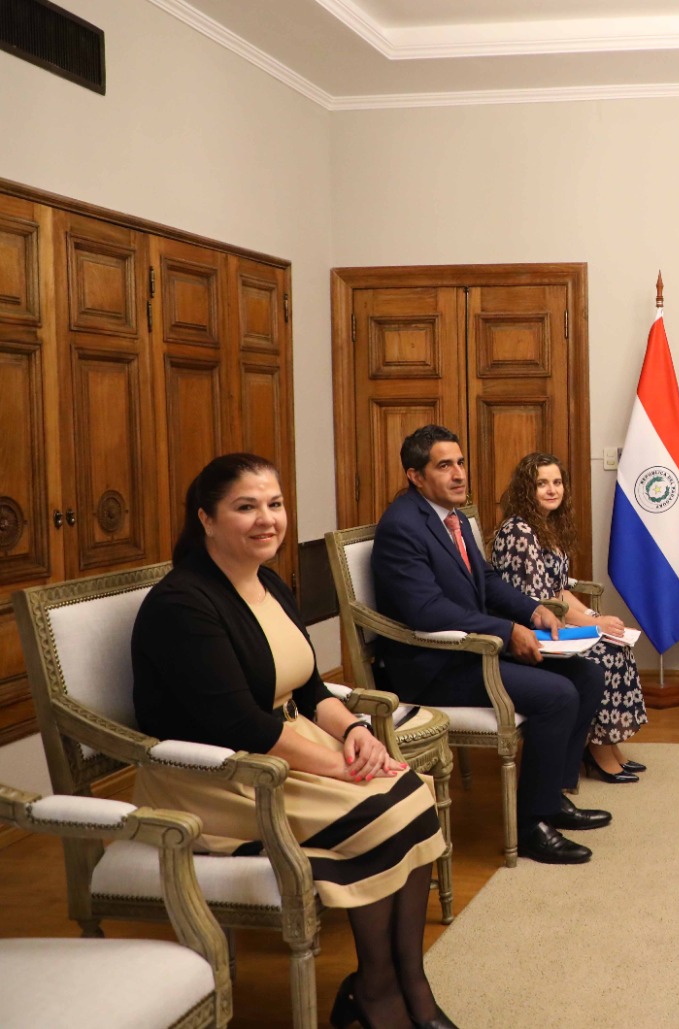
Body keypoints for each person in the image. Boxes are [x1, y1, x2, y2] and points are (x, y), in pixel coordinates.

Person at [131, 453, 454, 1029]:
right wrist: (337, 769)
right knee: (382, 812)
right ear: (206, 518)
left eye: (274, 504)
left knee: (411, 792)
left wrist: (354, 733)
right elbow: (241, 725)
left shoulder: (269, 581)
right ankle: (377, 993)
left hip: (285, 740)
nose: (267, 519)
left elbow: (308, 688)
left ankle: (408, 980)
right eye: (246, 507)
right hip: (217, 773)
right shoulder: (183, 604)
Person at [370, 425, 608, 865]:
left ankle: (549, 798)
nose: (459, 474)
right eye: (444, 466)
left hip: (473, 650)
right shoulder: (402, 527)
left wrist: (534, 610)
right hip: (435, 665)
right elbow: (427, 611)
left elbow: (488, 580)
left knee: (588, 675)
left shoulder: (454, 517)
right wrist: (506, 630)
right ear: (415, 476)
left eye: (460, 463)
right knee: (557, 695)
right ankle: (532, 826)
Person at [491, 452, 647, 784]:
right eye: (542, 484)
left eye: (557, 482)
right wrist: (595, 626)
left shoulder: (547, 525)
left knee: (617, 645)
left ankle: (607, 743)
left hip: (553, 620)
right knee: (605, 655)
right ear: (526, 489)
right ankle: (597, 750)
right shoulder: (519, 532)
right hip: (528, 632)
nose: (552, 490)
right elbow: (539, 602)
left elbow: (558, 589)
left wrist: (593, 616)